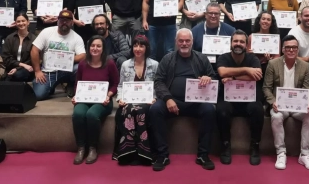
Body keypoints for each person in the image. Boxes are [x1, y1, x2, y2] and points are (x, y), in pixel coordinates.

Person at [149, 29, 218, 171]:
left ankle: (203, 155)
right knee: (155, 110)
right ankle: (162, 154)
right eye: (181, 40)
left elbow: (214, 77)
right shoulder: (167, 58)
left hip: (196, 102)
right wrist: (167, 98)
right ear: (176, 42)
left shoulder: (201, 58)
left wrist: (209, 78)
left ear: (192, 42)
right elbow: (159, 81)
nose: (184, 43)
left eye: (187, 41)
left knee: (210, 110)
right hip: (173, 101)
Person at [263, 35, 309, 171]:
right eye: (288, 47)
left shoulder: (305, 66)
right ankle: (281, 153)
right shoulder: (273, 64)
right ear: (282, 49)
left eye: (294, 47)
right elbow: (266, 88)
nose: (291, 50)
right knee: (276, 117)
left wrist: (308, 102)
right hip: (280, 105)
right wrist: (272, 102)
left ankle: (304, 154)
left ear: (298, 50)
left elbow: (307, 89)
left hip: (298, 105)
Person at [215, 30, 264, 166]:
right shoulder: (223, 57)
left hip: (248, 98)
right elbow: (222, 72)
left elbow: (257, 76)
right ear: (231, 43)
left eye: (242, 42)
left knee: (258, 109)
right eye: (235, 41)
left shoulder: (253, 59)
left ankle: (255, 145)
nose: (238, 44)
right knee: (221, 110)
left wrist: (234, 77)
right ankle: (225, 145)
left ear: (246, 45)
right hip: (228, 98)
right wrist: (247, 70)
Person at [72, 36, 119, 165]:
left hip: (103, 100)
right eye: (93, 45)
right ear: (88, 47)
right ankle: (81, 148)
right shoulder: (83, 63)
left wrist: (109, 95)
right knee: (78, 114)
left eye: (98, 46)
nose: (95, 48)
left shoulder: (109, 63)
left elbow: (116, 83)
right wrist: (76, 96)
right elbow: (78, 83)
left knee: (92, 115)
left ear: (103, 49)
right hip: (84, 99)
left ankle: (93, 148)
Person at [113, 35, 158, 165]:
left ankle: (144, 152)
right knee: (128, 109)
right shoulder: (125, 64)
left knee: (141, 110)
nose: (137, 49)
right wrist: (120, 98)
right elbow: (121, 85)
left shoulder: (155, 65)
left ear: (146, 48)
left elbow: (158, 85)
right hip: (129, 101)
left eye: (141, 46)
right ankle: (128, 152)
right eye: (135, 45)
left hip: (148, 101)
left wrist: (154, 98)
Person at [31, 10, 86, 100]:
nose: (64, 23)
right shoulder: (47, 32)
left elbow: (83, 56)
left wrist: (65, 59)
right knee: (38, 95)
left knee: (80, 66)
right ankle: (50, 86)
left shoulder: (77, 37)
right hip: (48, 72)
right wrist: (37, 71)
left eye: (67, 21)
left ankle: (71, 84)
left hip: (67, 71)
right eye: (62, 20)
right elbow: (34, 50)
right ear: (57, 21)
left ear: (72, 22)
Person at [2, 12, 36, 82]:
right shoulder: (10, 38)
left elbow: (33, 59)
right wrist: (20, 65)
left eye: (23, 21)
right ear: (15, 23)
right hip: (11, 68)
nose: (21, 23)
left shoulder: (34, 39)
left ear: (28, 22)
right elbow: (6, 57)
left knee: (17, 75)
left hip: (27, 70)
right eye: (18, 21)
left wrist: (18, 69)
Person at [248, 12, 280, 76]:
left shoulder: (275, 39)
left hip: (269, 69)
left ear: (271, 23)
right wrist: (251, 55)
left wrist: (270, 60)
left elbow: (277, 58)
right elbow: (246, 56)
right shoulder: (252, 37)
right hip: (253, 68)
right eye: (263, 19)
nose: (265, 21)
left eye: (268, 20)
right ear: (259, 21)